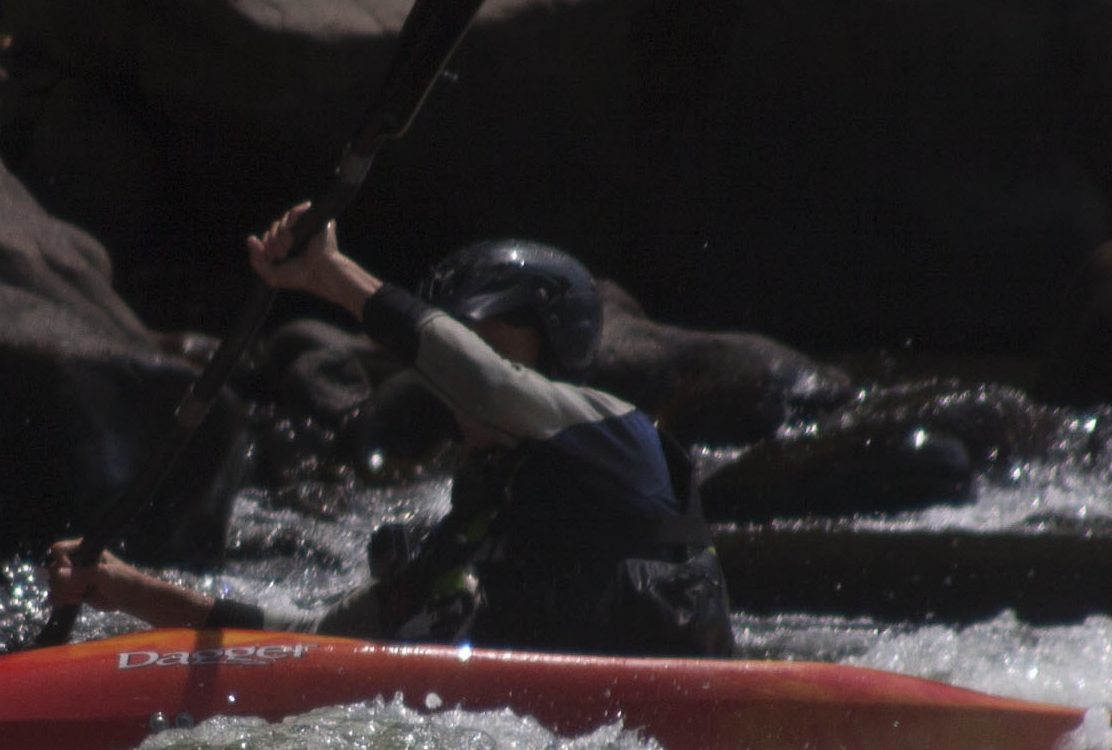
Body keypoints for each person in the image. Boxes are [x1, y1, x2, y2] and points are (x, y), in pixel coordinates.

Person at [49, 205, 734, 657]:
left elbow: (488, 385)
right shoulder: (465, 543)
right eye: (457, 335)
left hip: (673, 716)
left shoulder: (616, 433)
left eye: (485, 334)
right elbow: (312, 639)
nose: (458, 353)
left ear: (552, 341)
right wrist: (127, 589)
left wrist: (331, 275)